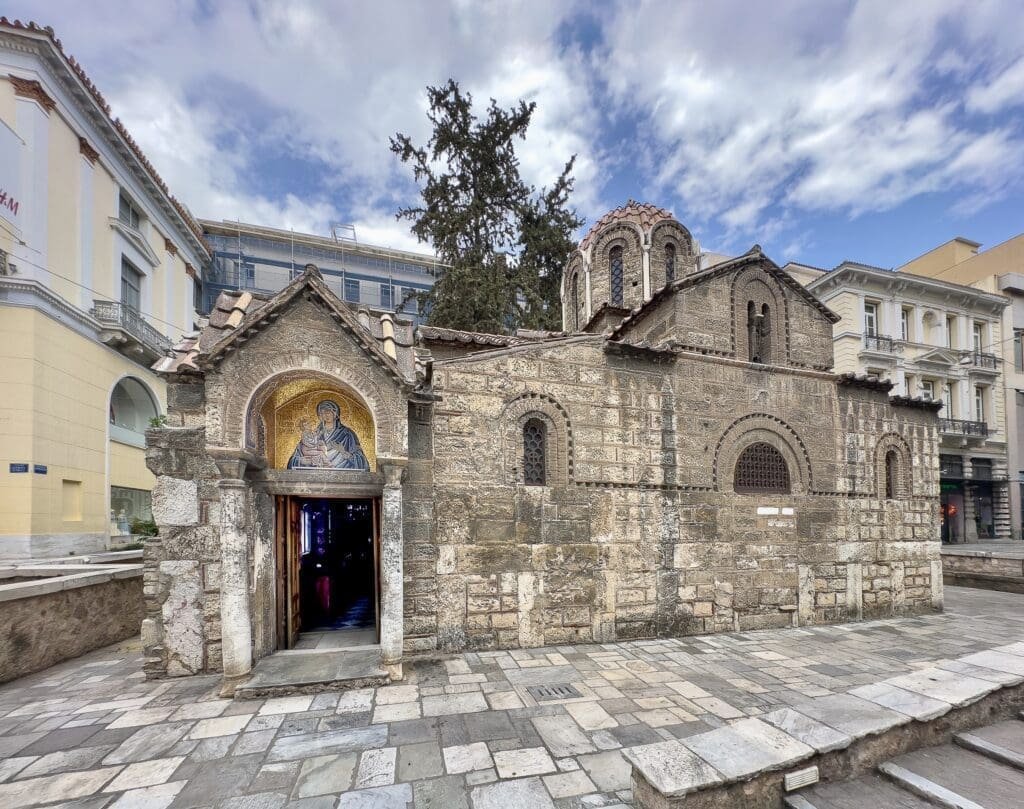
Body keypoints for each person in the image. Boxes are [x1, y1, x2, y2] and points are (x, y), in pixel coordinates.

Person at [287, 399, 369, 470]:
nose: (325, 415)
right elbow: (294, 459)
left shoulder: (347, 434)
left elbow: (361, 462)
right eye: (321, 413)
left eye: (328, 412)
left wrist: (343, 452)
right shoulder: (313, 434)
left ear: (335, 413)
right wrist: (303, 461)